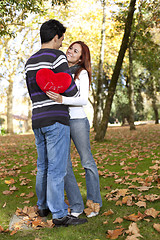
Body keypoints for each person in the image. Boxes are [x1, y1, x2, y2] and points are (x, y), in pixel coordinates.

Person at [25, 20, 87, 227]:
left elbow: (34, 90)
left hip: (37, 119)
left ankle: (42, 206)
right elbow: (66, 84)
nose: (62, 44)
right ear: (55, 37)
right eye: (61, 39)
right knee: (56, 169)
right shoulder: (57, 56)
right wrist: (73, 93)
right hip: (56, 118)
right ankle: (59, 214)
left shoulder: (30, 61)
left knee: (42, 165)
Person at [46, 41, 102, 218]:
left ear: (81, 57)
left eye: (75, 51)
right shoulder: (59, 70)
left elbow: (83, 99)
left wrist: (62, 100)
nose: (70, 51)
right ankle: (77, 205)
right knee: (64, 165)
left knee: (87, 161)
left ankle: (94, 203)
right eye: (70, 48)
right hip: (61, 121)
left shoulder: (81, 73)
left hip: (77, 121)